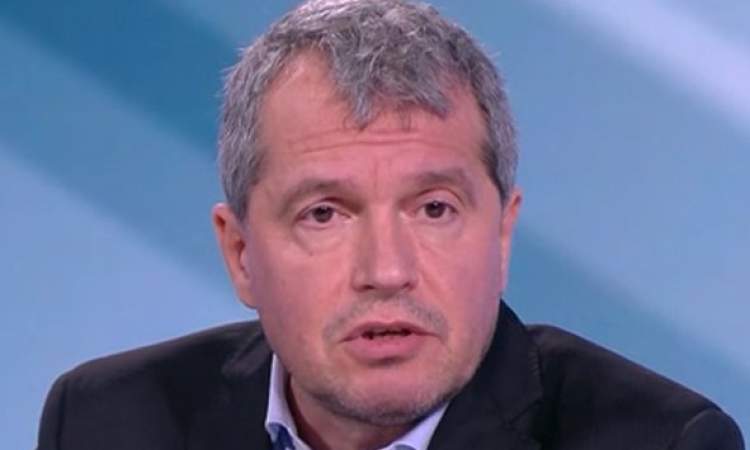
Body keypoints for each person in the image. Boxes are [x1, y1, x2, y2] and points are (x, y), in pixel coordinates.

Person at [36, 0, 744, 449]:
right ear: (241, 252)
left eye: (435, 208)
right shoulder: (108, 421)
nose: (387, 269)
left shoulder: (660, 441)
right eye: (324, 213)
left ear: (502, 237)